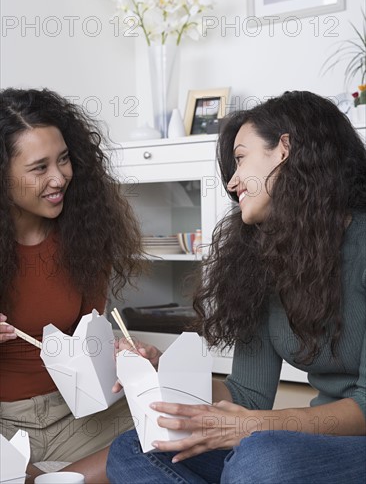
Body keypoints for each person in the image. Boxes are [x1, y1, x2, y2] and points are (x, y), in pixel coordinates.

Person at [107, 91, 366, 483]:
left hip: (355, 441)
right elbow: (246, 395)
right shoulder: (264, 262)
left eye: (241, 158)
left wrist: (256, 427)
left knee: (260, 457)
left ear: (285, 148)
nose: (231, 182)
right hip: (306, 442)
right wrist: (165, 374)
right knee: (134, 449)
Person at [0, 87, 146, 483]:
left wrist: (122, 357)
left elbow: (88, 341)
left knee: (183, 410)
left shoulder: (84, 236)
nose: (59, 177)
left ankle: (44, 478)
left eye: (63, 159)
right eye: (39, 167)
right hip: (3, 421)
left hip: (74, 414)